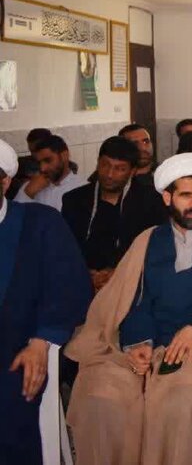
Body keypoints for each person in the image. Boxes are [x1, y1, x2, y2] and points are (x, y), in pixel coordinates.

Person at [66, 153, 192, 465]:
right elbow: (132, 299)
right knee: (102, 399)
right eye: (186, 195)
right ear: (167, 197)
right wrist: (138, 342)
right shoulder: (148, 240)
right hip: (145, 343)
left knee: (178, 404)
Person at [0, 140, 91, 463]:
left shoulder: (40, 223)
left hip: (18, 350)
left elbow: (70, 288)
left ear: (5, 182)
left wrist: (42, 341)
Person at [61, 136, 166, 292]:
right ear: (98, 163)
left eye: (119, 169)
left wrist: (119, 273)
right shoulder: (74, 200)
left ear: (133, 171)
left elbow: (157, 249)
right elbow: (65, 248)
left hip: (133, 283)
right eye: (105, 165)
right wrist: (85, 274)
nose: (109, 174)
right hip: (82, 283)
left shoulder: (151, 201)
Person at [14, 134, 86, 210]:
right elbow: (14, 214)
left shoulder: (83, 188)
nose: (42, 168)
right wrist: (28, 193)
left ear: (64, 156)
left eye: (48, 160)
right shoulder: (29, 186)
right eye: (39, 162)